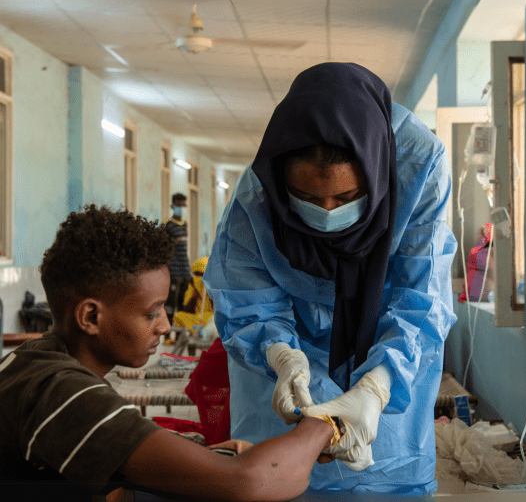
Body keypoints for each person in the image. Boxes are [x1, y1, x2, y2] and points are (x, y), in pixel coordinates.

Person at [204, 62, 457, 495]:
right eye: (305, 197)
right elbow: (245, 302)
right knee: (275, 476)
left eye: (346, 197)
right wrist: (281, 356)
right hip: (280, 381)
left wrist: (376, 389)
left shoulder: (417, 168)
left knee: (384, 474)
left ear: (376, 177)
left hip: (388, 361)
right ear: (281, 181)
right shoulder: (256, 196)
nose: (326, 213)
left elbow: (421, 298)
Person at [0, 205, 336, 501]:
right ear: (91, 317)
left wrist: (204, 455)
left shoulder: (37, 359)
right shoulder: (61, 392)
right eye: (152, 312)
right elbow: (252, 482)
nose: (164, 325)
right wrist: (326, 423)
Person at [164, 192, 190, 326]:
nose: (181, 207)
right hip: (173, 271)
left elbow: (184, 249)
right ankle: (168, 335)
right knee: (170, 302)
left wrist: (188, 271)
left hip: (184, 270)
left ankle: (180, 335)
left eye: (183, 205)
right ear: (172, 206)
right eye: (179, 205)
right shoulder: (168, 225)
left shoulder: (184, 224)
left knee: (182, 303)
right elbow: (164, 246)